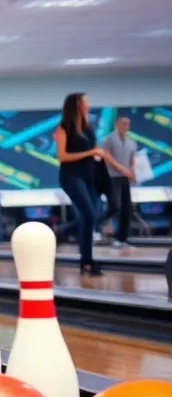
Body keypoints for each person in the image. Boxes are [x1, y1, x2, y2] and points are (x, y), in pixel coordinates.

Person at [54, 93, 128, 276]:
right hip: (71, 176)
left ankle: (75, 248)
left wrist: (122, 168)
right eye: (85, 102)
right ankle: (83, 258)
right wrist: (88, 153)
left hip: (90, 176)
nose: (88, 105)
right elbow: (62, 156)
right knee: (89, 214)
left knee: (91, 217)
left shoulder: (88, 127)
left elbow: (98, 152)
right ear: (76, 105)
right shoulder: (63, 128)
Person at [99, 115, 138, 247]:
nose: (126, 126)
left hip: (124, 178)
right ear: (116, 124)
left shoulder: (131, 141)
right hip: (112, 177)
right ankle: (96, 224)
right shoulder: (109, 139)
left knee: (127, 208)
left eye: (128, 123)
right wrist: (122, 169)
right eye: (123, 123)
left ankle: (121, 238)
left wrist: (131, 171)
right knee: (115, 206)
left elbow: (132, 158)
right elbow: (107, 157)